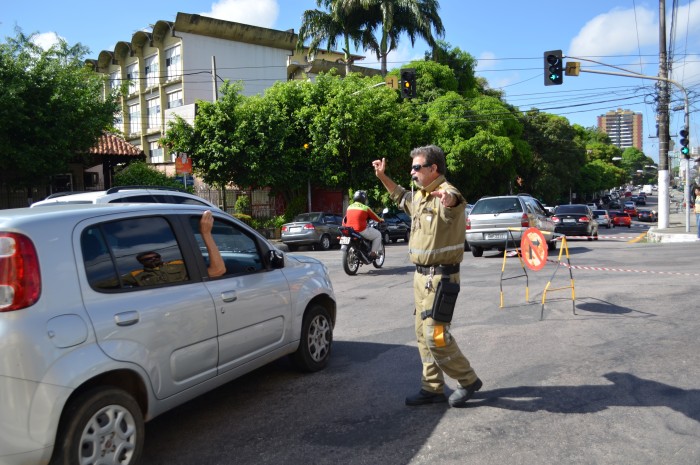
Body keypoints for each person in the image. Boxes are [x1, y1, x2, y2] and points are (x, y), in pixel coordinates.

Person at [372, 145, 481, 408]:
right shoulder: (420, 196)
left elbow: (454, 201)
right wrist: (382, 177)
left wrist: (449, 200)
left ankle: (467, 380)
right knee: (422, 334)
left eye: (417, 167)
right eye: (412, 168)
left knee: (436, 335)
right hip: (421, 278)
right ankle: (432, 387)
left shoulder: (448, 193)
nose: (412, 172)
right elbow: (399, 196)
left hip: (442, 278)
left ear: (434, 169)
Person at [125, 210, 226, 286]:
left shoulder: (180, 264)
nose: (153, 259)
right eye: (147, 259)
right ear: (141, 262)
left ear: (161, 257)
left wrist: (206, 232)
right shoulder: (135, 275)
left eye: (156, 257)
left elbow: (218, 270)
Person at [343, 190, 384, 259]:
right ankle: (373, 253)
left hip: (349, 230)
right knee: (378, 235)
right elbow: (375, 217)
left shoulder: (349, 207)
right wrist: (381, 220)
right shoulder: (365, 208)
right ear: (363, 199)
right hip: (360, 230)